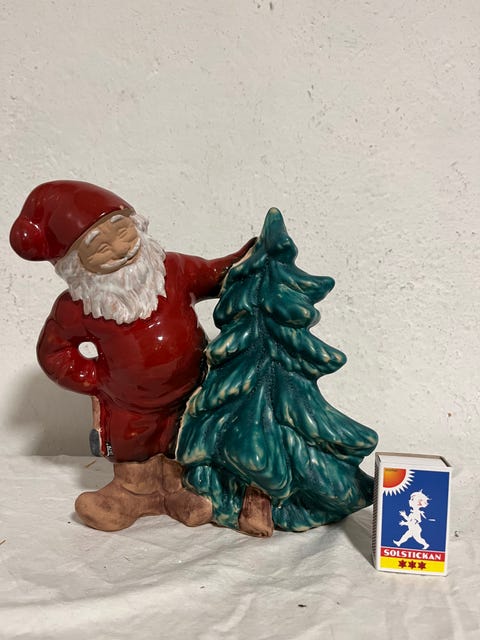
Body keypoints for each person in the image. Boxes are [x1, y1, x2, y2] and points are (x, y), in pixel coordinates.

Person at [10, 180, 254, 531]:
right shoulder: (77, 307)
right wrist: (97, 380)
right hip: (128, 405)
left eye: (123, 232)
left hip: (191, 391)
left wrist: (246, 259)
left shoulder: (173, 270)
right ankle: (131, 494)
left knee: (182, 441)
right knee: (133, 449)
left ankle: (179, 491)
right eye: (99, 247)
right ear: (76, 265)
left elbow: (215, 275)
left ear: (137, 225)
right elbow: (54, 353)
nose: (119, 249)